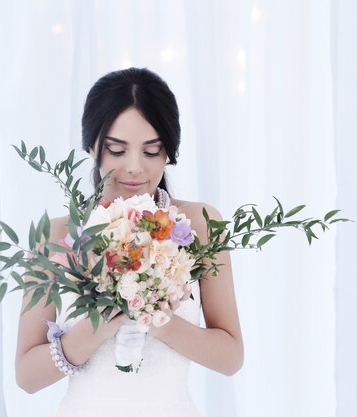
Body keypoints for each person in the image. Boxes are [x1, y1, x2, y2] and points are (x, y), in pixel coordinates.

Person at [15, 68, 243, 417]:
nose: (134, 168)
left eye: (152, 151)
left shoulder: (200, 225)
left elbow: (230, 358)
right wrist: (94, 331)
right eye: (117, 150)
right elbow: (26, 376)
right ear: (92, 146)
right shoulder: (56, 236)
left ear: (169, 152)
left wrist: (157, 319)